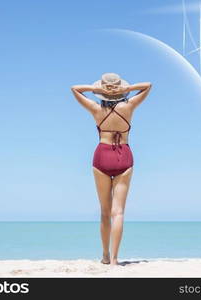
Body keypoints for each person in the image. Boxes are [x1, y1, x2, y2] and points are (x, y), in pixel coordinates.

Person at [71, 72, 152, 265]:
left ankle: (105, 256)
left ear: (102, 91)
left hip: (102, 155)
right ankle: (115, 259)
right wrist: (128, 89)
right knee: (119, 212)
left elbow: (74, 89)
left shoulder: (95, 109)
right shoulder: (129, 106)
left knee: (105, 212)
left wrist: (94, 89)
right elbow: (148, 85)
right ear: (119, 89)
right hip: (124, 155)